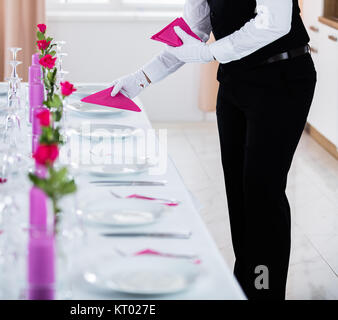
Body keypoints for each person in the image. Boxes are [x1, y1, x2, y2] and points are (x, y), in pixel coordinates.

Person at [112, 0, 317, 300]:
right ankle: (245, 287)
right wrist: (140, 79)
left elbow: (275, 22)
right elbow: (191, 32)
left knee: (262, 194)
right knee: (239, 195)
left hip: (282, 79)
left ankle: (265, 291)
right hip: (235, 84)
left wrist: (209, 52)